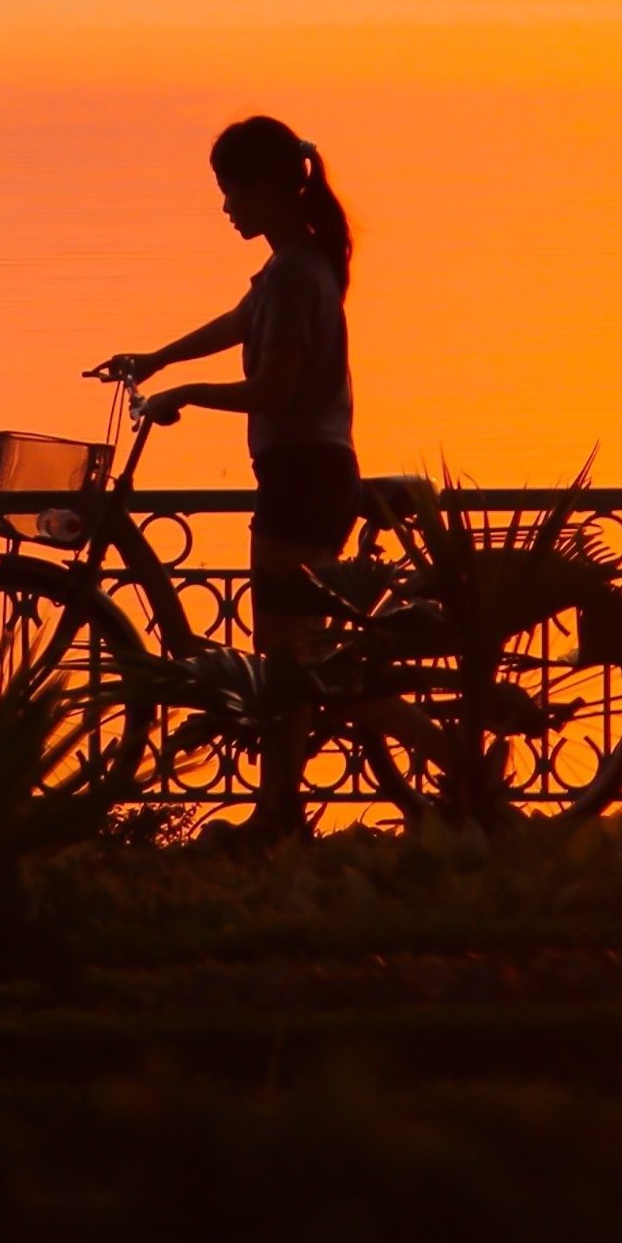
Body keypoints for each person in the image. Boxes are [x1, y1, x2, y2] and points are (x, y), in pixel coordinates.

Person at [94, 115, 358, 840]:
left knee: (287, 662)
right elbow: (239, 321)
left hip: (302, 475)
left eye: (231, 190)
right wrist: (157, 359)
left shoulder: (300, 273)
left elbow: (274, 388)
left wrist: (188, 396)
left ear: (267, 188)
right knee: (296, 655)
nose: (226, 206)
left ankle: (280, 812)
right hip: (305, 470)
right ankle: (282, 808)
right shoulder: (289, 268)